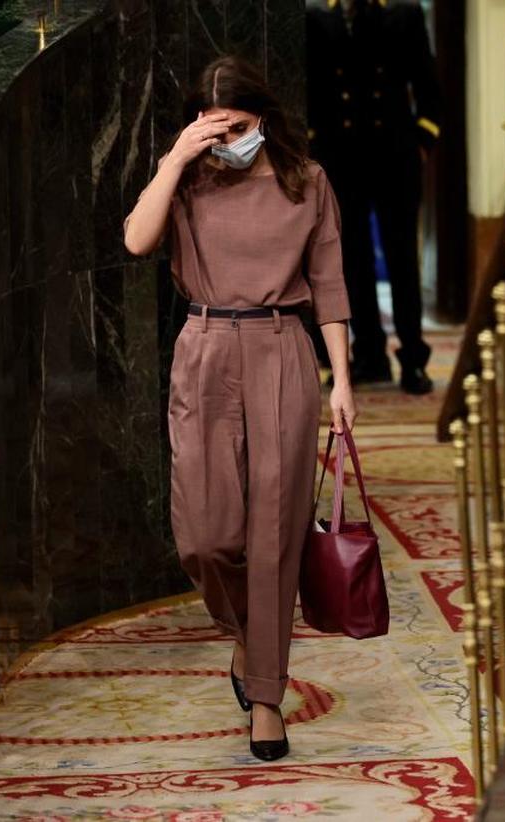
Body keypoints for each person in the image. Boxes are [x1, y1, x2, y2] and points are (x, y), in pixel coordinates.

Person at [124, 55, 356, 762]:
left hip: (283, 348)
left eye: (243, 128)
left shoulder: (305, 180)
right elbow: (136, 240)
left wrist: (343, 381)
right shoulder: (187, 178)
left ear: (266, 117)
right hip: (204, 346)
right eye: (217, 130)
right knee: (205, 535)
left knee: (275, 533)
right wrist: (174, 158)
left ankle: (265, 697)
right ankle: (248, 637)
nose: (232, 143)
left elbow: (332, 287)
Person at [306, 0, 441, 395]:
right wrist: (314, 146)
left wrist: (423, 140)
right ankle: (368, 355)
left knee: (403, 259)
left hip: (395, 156)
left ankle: (414, 358)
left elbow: (428, 86)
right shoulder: (317, 18)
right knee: (351, 260)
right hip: (340, 156)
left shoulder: (404, 14)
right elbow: (312, 86)